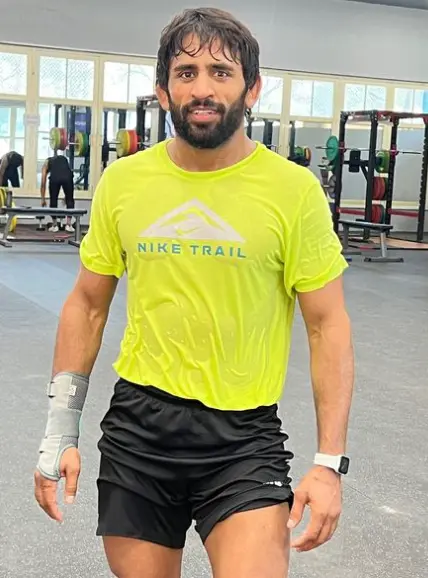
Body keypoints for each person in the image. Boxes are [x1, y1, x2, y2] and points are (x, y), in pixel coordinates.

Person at [34, 7, 354, 578]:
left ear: (251, 88)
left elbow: (327, 325)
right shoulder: (125, 182)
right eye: (185, 73)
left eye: (220, 72)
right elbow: (87, 304)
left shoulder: (293, 191)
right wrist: (60, 431)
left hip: (243, 436)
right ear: (163, 90)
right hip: (139, 429)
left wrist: (329, 462)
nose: (202, 88)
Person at [40, 154, 75, 233]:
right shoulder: (63, 159)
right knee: (70, 199)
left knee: (53, 199)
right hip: (68, 177)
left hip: (55, 178)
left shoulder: (46, 162)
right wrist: (67, 196)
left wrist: (43, 199)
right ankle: (68, 225)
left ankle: (55, 225)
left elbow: (43, 183)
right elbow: (67, 174)